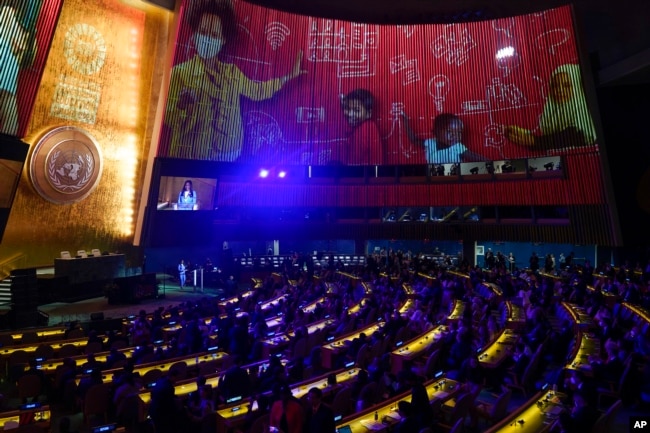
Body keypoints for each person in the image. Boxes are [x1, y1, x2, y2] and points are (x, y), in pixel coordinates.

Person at [164, 1, 306, 161]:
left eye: (214, 35)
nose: (207, 39)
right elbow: (170, 121)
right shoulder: (179, 74)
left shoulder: (231, 73)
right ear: (195, 33)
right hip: (190, 160)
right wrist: (182, 105)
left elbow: (257, 91)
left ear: (223, 39)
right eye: (203, 32)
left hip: (228, 159)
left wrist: (289, 76)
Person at [505, 63, 597, 151]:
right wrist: (528, 137)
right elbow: (553, 141)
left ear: (576, 87)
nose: (560, 90)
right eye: (555, 86)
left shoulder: (582, 111)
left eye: (566, 85)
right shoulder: (550, 113)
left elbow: (573, 136)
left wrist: (534, 141)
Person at [401, 112, 484, 164]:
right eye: (449, 132)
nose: (455, 136)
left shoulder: (457, 148)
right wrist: (405, 121)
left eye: (458, 132)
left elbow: (478, 159)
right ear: (436, 132)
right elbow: (413, 140)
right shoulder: (430, 144)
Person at [0, 1, 28, 136]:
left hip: (6, 75)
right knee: (10, 123)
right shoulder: (7, 12)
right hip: (5, 73)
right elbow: (21, 45)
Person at [335, 88, 384, 165]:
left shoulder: (365, 130)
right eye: (348, 108)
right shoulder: (367, 126)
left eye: (356, 110)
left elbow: (352, 163)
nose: (350, 114)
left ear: (368, 113)